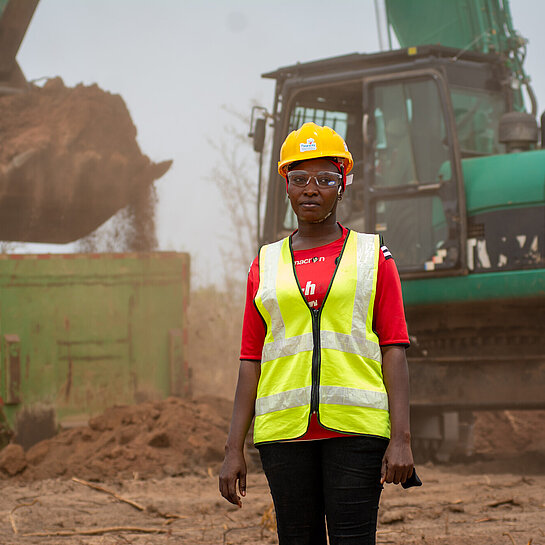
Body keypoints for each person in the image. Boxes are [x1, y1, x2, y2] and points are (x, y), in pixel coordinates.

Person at [219, 122, 414, 545]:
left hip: (356, 431)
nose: (311, 189)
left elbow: (394, 348)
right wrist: (234, 447)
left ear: (342, 185)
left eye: (325, 179)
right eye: (299, 179)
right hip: (282, 435)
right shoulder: (264, 264)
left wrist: (401, 439)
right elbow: (250, 359)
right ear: (286, 187)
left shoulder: (373, 256)